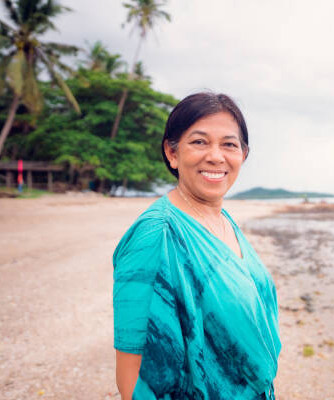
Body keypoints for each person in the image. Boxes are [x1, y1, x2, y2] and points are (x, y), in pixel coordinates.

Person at [113, 92, 281, 400]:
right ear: (172, 152)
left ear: (243, 154)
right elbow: (134, 380)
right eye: (199, 142)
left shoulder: (224, 220)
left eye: (229, 144)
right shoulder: (157, 235)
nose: (216, 156)